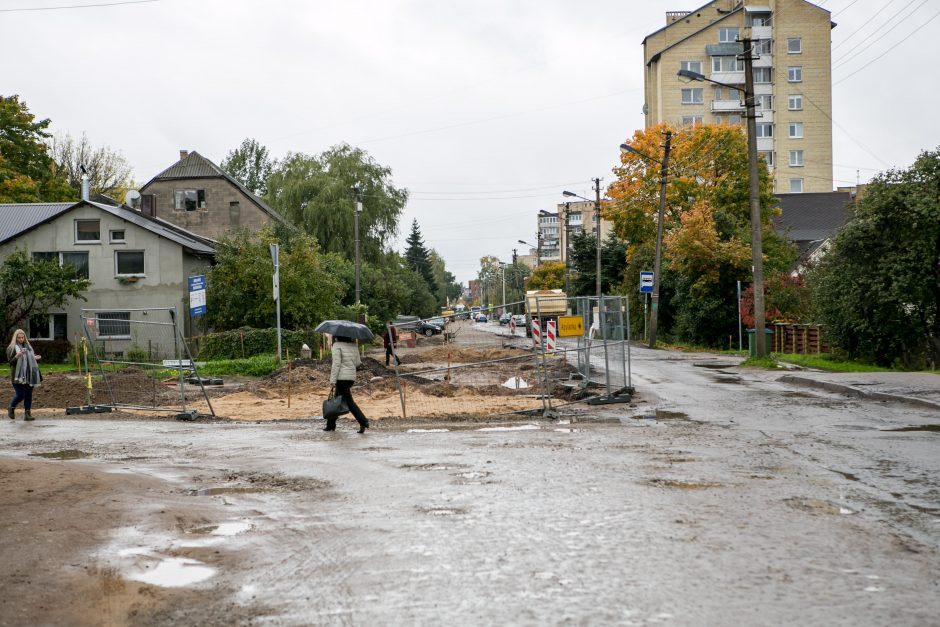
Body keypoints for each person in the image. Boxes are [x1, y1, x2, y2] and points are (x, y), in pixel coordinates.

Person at [327, 336, 370, 433]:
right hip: (351, 378)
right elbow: (358, 363)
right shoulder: (354, 346)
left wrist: (332, 380)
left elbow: (336, 364)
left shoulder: (337, 345)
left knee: (349, 402)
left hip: (341, 378)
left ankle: (363, 421)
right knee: (336, 399)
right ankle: (330, 425)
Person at [7, 329, 41, 421]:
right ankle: (11, 407)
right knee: (21, 394)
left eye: (22, 337)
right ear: (15, 338)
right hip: (17, 376)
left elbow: (29, 358)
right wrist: (17, 356)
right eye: (19, 338)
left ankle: (27, 414)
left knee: (29, 394)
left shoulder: (28, 346)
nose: (21, 339)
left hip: (29, 374)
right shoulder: (11, 348)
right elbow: (10, 362)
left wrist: (34, 357)